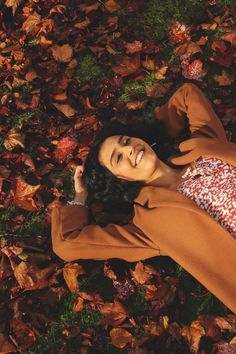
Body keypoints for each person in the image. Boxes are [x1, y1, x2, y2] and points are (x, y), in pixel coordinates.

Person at [51, 83, 236, 313]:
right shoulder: (149, 224)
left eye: (127, 141)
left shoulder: (197, 147)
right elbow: (68, 242)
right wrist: (81, 196)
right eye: (118, 159)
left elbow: (187, 95)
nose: (128, 150)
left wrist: (154, 129)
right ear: (118, 180)